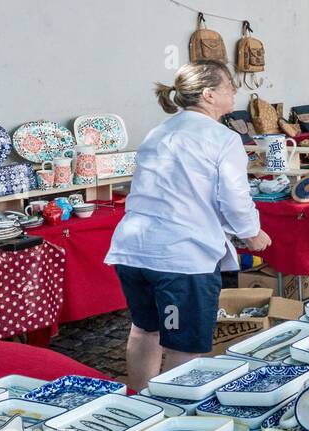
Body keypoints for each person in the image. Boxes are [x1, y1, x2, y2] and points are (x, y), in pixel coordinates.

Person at [105, 60, 270, 391]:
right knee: (184, 345)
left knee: (145, 329)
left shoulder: (160, 131)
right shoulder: (222, 138)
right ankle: (172, 416)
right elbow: (235, 199)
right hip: (179, 258)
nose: (235, 92)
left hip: (133, 250)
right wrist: (253, 234)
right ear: (209, 94)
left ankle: (140, 402)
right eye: (229, 86)